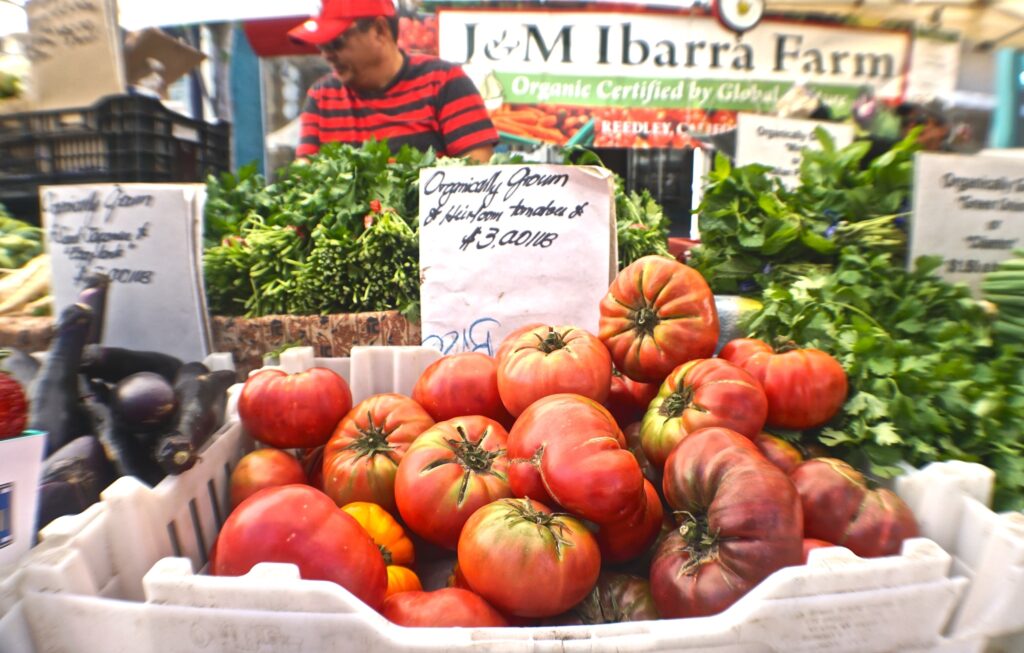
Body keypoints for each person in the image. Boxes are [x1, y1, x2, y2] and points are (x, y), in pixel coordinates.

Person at [288, 0, 498, 162]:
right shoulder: (321, 98)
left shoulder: (444, 82)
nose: (326, 55)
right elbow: (306, 179)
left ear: (380, 30)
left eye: (336, 43)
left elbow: (476, 177)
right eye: (321, 46)